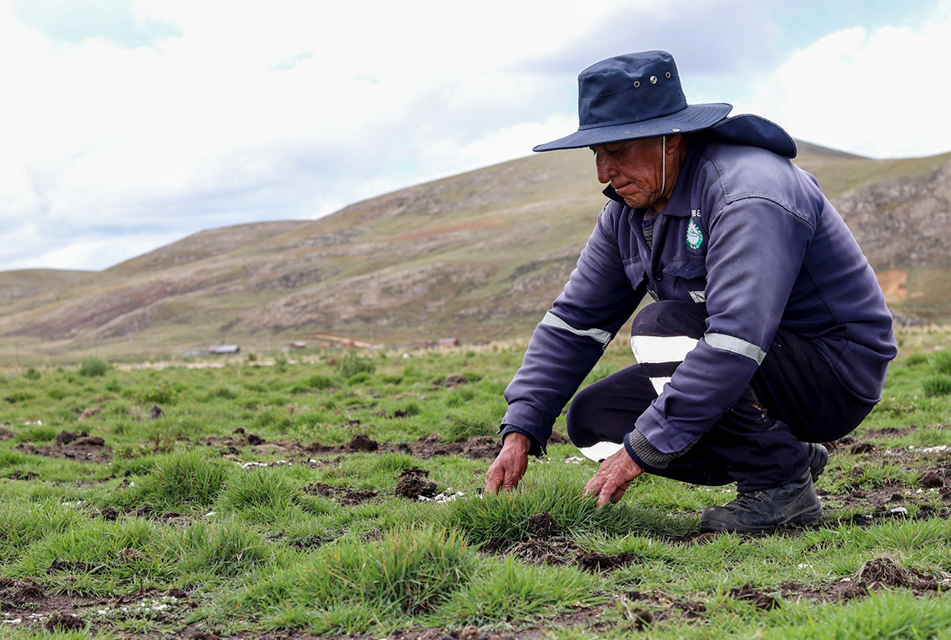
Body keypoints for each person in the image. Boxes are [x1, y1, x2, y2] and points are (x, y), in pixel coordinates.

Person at [483, 50, 897, 533]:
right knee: (594, 419)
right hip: (755, 371)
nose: (603, 172)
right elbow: (575, 323)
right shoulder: (627, 212)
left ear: (670, 138)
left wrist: (641, 451)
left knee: (661, 327)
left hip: (833, 374)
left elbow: (736, 337)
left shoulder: (748, 191)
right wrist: (522, 427)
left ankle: (779, 486)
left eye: (616, 151)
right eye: (596, 153)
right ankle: (784, 454)